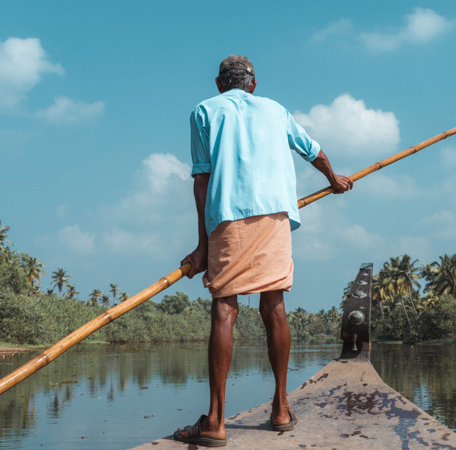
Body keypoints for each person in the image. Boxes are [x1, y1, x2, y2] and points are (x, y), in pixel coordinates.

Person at [173, 55, 352, 447]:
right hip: (275, 216)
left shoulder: (204, 111)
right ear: (253, 85)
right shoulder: (276, 110)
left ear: (221, 84)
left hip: (228, 216)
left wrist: (203, 246)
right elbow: (315, 152)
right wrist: (333, 179)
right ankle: (281, 409)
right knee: (274, 304)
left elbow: (201, 181)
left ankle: (216, 421)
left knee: (224, 308)